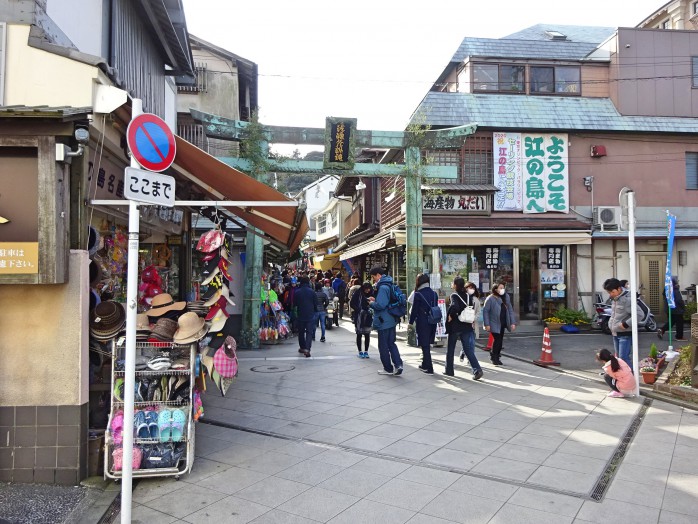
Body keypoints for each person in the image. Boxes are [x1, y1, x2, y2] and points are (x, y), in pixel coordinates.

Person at [368, 266, 404, 376]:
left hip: (384, 320)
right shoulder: (389, 283)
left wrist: (372, 303)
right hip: (391, 319)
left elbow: (381, 305)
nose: (374, 279)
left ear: (378, 275)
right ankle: (398, 365)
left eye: (374, 277)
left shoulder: (383, 287)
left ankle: (388, 368)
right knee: (391, 343)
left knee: (383, 346)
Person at [445, 278, 483, 379]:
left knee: (451, 349)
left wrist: (451, 315)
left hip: (455, 326)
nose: (452, 284)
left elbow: (455, 306)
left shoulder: (454, 295)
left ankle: (449, 371)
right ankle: (477, 370)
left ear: (456, 285)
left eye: (453, 283)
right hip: (466, 325)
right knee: (468, 349)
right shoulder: (468, 296)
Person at [408, 273, 439, 374]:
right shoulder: (434, 294)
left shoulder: (418, 294)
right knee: (427, 343)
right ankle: (424, 364)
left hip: (422, 321)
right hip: (433, 321)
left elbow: (414, 310)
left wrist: (410, 322)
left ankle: (429, 368)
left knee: (424, 344)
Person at [482, 282, 516, 366]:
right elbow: (485, 311)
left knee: (500, 340)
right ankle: (494, 357)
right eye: (500, 288)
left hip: (503, 322)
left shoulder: (506, 297)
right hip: (493, 322)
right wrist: (487, 324)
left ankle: (496, 355)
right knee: (498, 339)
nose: (502, 289)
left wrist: (512, 322)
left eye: (503, 287)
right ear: (495, 289)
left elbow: (510, 310)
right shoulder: (490, 298)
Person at [604, 277, 633, 370]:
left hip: (624, 334)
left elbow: (639, 314)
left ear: (619, 289)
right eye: (609, 292)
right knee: (619, 359)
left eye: (612, 292)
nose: (611, 294)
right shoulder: (615, 299)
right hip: (615, 333)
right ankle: (624, 378)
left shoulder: (627, 300)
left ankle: (631, 378)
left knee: (623, 359)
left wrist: (625, 324)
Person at [293, 276, 316, 357]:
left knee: (301, 332)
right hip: (310, 315)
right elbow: (315, 303)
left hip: (300, 315)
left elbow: (294, 304)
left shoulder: (297, 292)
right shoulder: (312, 292)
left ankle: (302, 347)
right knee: (309, 332)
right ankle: (307, 349)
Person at [351, 281, 374, 358]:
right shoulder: (358, 293)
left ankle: (366, 351)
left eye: (369, 289)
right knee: (359, 334)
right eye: (366, 289)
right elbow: (352, 303)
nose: (368, 291)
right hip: (359, 317)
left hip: (368, 316)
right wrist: (359, 310)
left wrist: (371, 302)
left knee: (367, 334)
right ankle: (360, 351)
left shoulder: (372, 293)